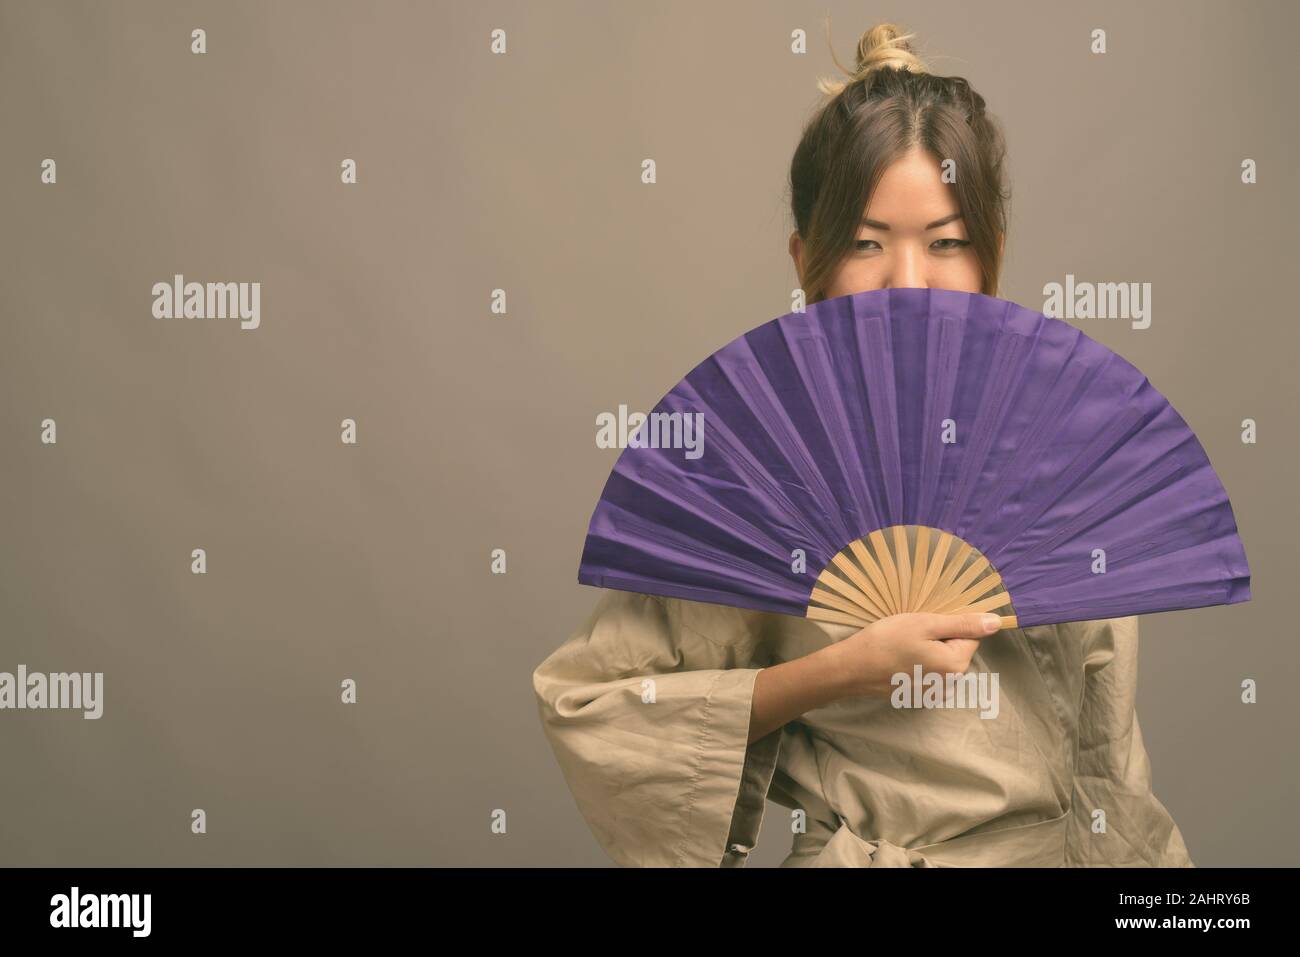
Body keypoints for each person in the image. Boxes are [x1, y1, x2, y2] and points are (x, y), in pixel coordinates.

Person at [532, 22, 1194, 868]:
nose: (907, 281)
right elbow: (590, 706)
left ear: (991, 258)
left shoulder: (1067, 441)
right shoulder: (753, 467)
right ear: (807, 260)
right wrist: (840, 669)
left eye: (946, 242)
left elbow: (1111, 769)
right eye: (865, 243)